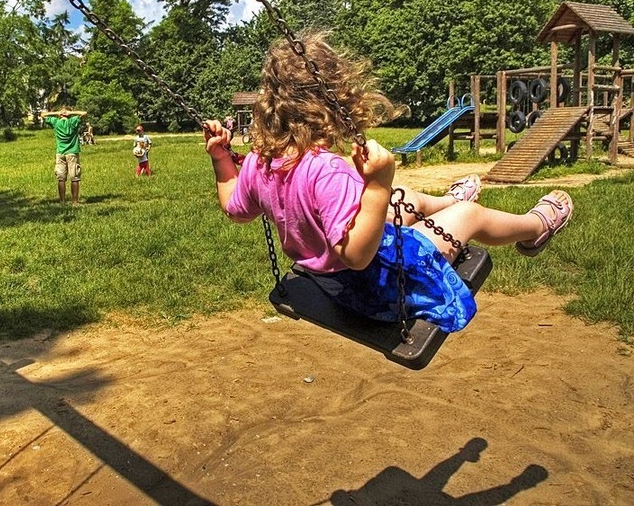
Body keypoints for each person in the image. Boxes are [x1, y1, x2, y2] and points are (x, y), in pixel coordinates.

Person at [204, 32, 573, 333]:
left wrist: (222, 158)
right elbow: (357, 254)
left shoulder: (258, 162)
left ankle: (443, 202)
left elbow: (234, 209)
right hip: (376, 288)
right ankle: (534, 228)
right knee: (469, 214)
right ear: (333, 102)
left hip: (325, 278)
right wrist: (378, 186)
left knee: (402, 198)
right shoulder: (327, 171)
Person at [41, 108, 87, 204]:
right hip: (72, 152)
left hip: (60, 153)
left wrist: (57, 113)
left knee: (61, 178)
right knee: (74, 177)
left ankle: (62, 201)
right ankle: (75, 201)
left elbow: (43, 114)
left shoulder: (56, 122)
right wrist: (71, 113)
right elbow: (84, 113)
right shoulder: (73, 121)